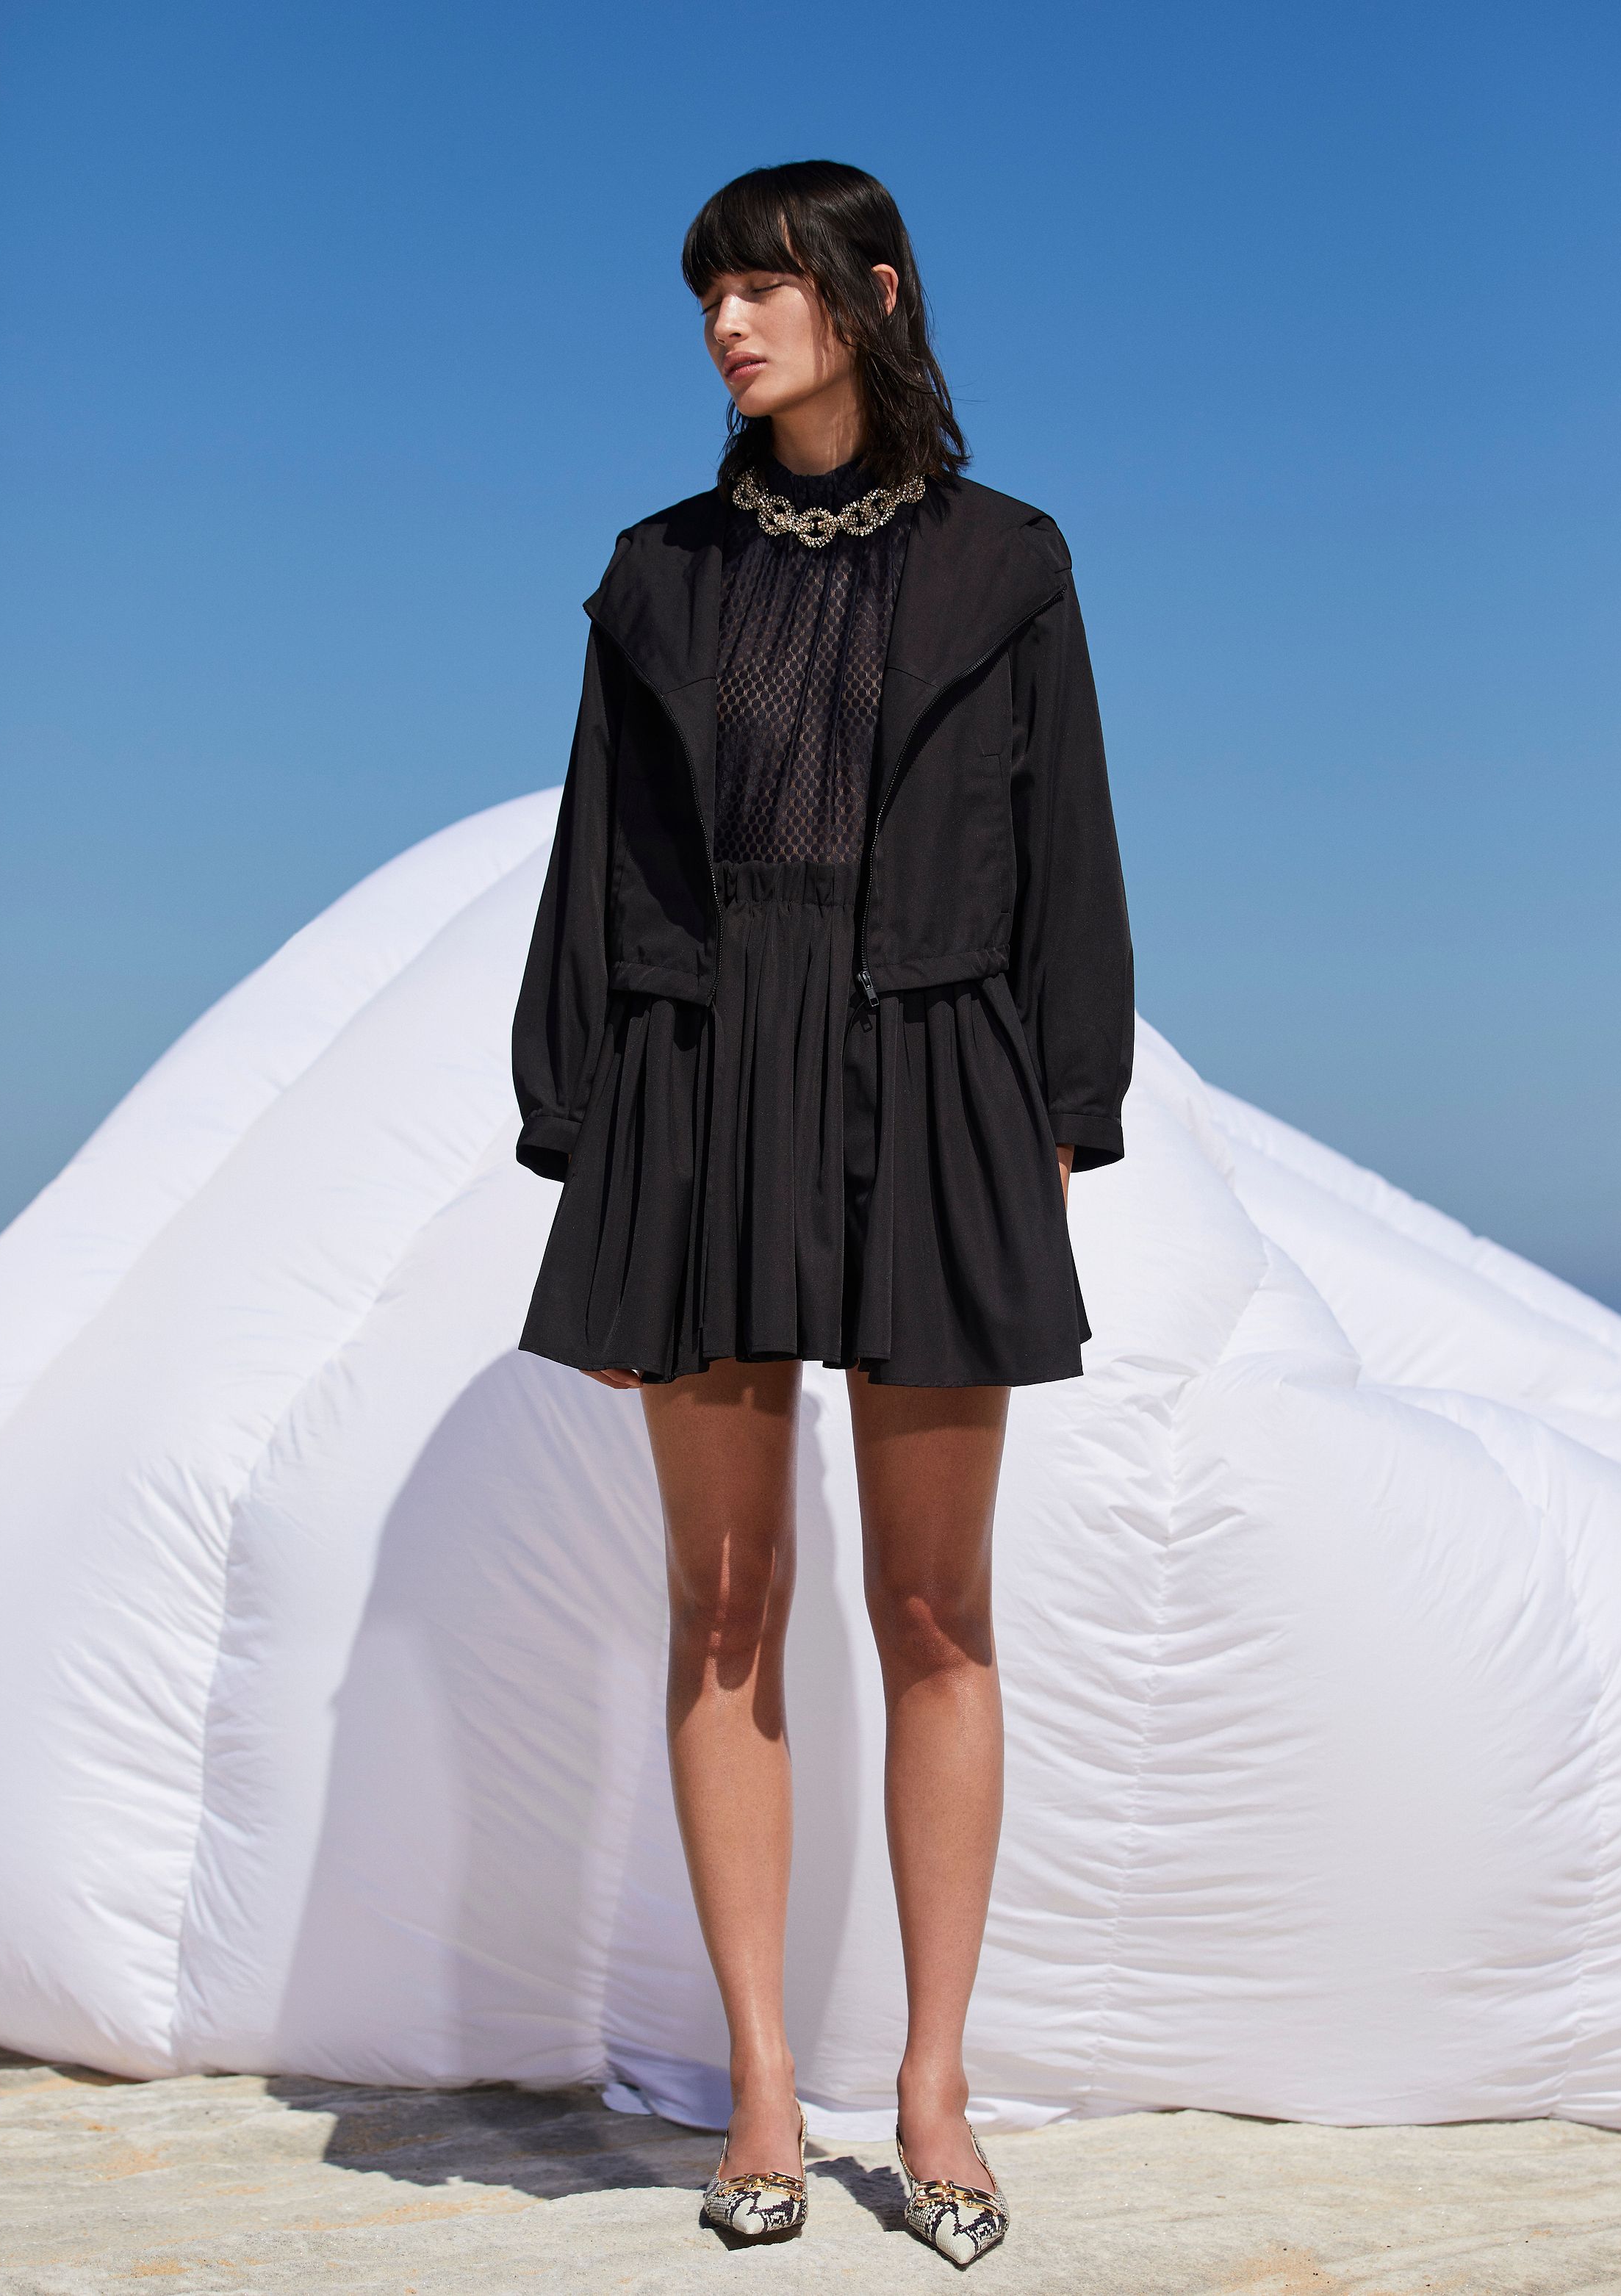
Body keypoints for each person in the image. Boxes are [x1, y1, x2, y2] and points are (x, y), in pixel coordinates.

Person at [511, 159, 1132, 2265]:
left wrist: (1056, 1110)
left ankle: (934, 2087)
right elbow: (596, 869)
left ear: (870, 294)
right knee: (722, 1605)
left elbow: (1070, 850)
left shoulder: (1006, 563)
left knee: (940, 1612)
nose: (723, 323)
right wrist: (583, 1138)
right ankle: (764, 2087)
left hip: (936, 1066)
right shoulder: (657, 571)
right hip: (700, 1078)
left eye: (761, 285)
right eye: (705, 292)